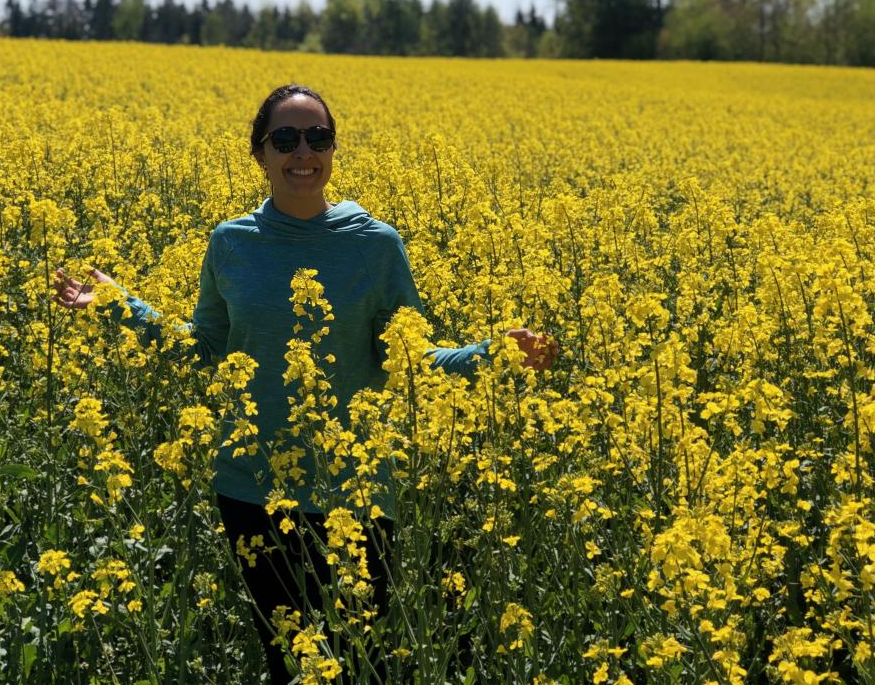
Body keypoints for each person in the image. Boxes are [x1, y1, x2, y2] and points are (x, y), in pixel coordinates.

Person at [53, 84, 556, 683]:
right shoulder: (231, 243)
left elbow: (411, 357)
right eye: (286, 138)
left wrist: (492, 353)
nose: (303, 152)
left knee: (354, 661)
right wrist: (120, 305)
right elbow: (207, 347)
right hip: (253, 488)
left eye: (318, 137)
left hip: (358, 485)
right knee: (289, 663)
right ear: (259, 153)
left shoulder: (374, 244)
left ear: (333, 149)